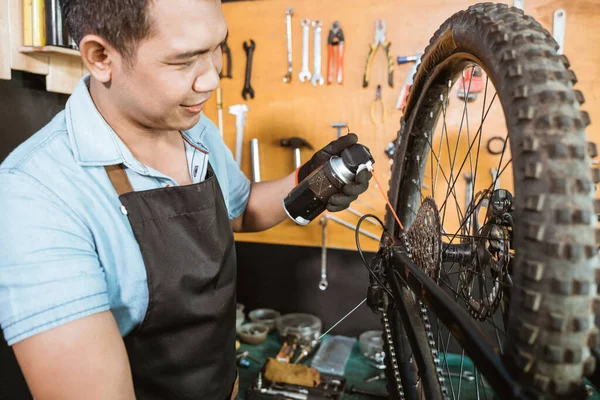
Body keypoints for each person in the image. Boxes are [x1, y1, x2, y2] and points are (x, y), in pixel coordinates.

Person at [0, 0, 372, 399]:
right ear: (101, 56)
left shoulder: (195, 130)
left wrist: (308, 183)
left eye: (216, 47)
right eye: (184, 61)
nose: (211, 79)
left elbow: (241, 212)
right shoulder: (35, 195)